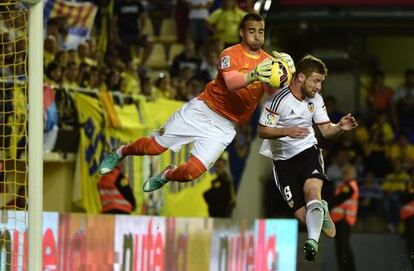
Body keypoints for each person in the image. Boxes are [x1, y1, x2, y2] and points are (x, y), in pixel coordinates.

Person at [97, 13, 295, 192]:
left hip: (225, 126)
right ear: (241, 33)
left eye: (261, 31)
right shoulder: (229, 54)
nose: (257, 36)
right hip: (202, 110)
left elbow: (270, 91)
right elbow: (231, 83)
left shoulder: (269, 61)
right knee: (154, 148)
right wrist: (252, 75)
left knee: (191, 173)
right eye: (252, 31)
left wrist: (287, 76)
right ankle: (120, 152)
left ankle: (167, 175)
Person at [257, 55, 358, 262]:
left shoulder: (316, 99)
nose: (319, 87)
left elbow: (327, 131)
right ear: (301, 77)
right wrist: (287, 130)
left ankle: (312, 242)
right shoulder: (278, 100)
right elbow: (262, 131)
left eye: (321, 82)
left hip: (308, 152)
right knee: (303, 214)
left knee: (312, 191)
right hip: (283, 162)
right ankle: (322, 208)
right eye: (316, 80)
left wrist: (340, 127)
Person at [330, 164, 359, 271]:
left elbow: (339, 199)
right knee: (344, 247)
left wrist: (328, 204)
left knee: (342, 248)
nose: (343, 175)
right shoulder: (345, 185)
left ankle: (344, 269)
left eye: (345, 173)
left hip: (344, 220)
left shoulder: (349, 186)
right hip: (340, 220)